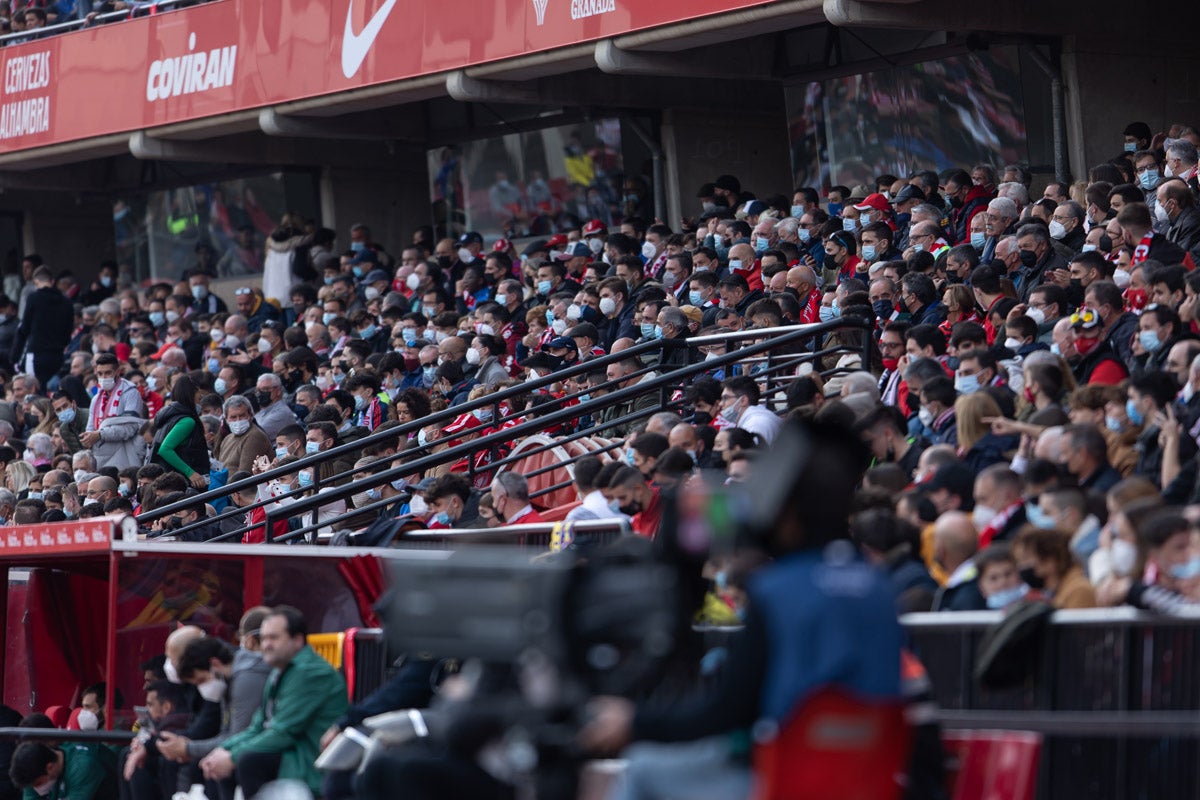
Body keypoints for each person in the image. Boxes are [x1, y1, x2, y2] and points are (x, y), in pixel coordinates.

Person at [580, 418, 903, 798]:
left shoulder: (779, 589)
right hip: (865, 779)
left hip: (790, 779)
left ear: (788, 512)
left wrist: (633, 721)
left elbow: (728, 710)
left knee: (646, 768)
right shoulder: (878, 585)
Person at [199, 607, 348, 799]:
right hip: (290, 753)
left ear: (298, 640)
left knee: (249, 761)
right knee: (219, 763)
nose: (266, 645)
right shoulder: (280, 671)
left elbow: (284, 732)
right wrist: (222, 751)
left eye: (274, 638)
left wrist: (232, 757)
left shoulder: (309, 672)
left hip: (311, 761)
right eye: (264, 638)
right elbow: (257, 727)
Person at [82, 354, 146, 471]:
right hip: (101, 458)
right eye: (100, 374)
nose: (104, 377)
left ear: (118, 372)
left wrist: (100, 434)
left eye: (108, 373)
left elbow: (131, 427)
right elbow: (90, 428)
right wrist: (88, 438)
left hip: (125, 456)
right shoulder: (96, 399)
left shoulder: (131, 393)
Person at [148, 375, 210, 490]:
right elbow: (165, 449)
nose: (200, 397)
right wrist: (190, 473)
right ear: (190, 394)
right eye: (198, 393)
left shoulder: (169, 418)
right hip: (181, 484)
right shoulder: (187, 421)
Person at [9, 740, 118, 800]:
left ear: (50, 767)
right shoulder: (32, 770)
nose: (36, 789)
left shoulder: (82, 766)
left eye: (38, 783)